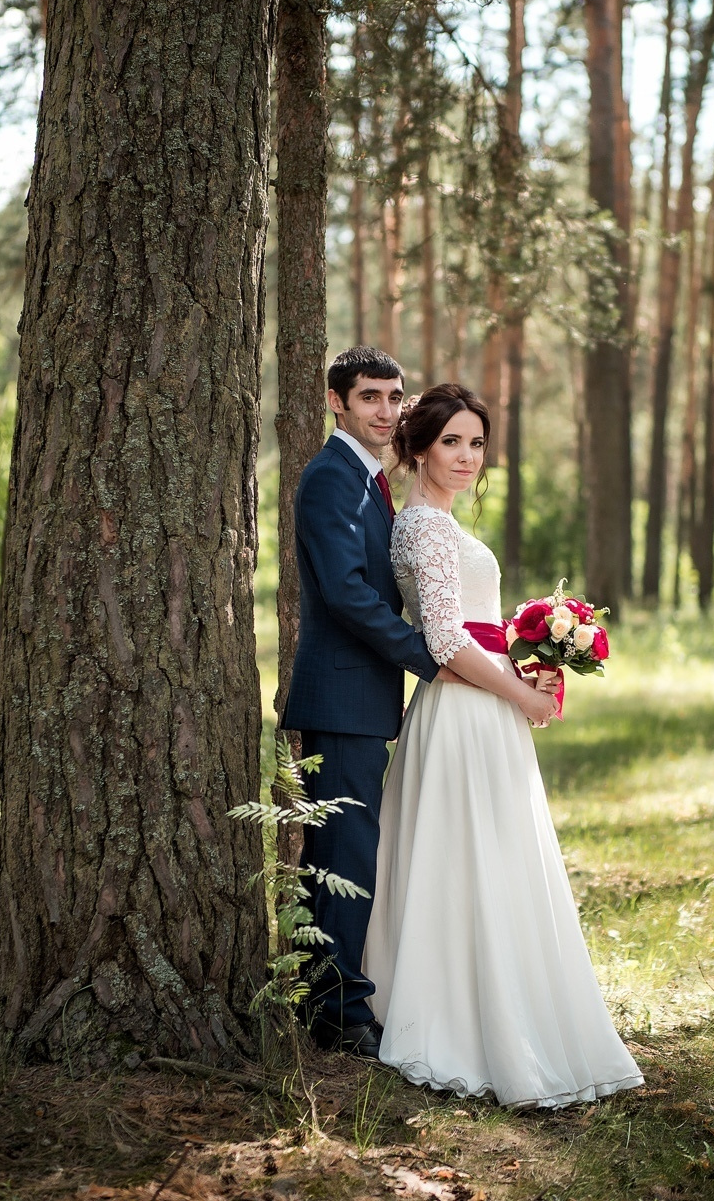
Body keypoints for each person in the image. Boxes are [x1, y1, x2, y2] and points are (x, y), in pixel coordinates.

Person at [362, 384, 644, 1107]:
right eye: (451, 441)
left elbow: (475, 627)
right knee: (468, 856)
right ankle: (460, 1017)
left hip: (482, 702)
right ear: (419, 446)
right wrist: (520, 694)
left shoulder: (440, 521)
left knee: (490, 856)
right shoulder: (423, 524)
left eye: (476, 443)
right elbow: (447, 637)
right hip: (463, 710)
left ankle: (504, 1000)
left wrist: (534, 656)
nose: (465, 456)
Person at [283, 347, 464, 1059]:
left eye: (394, 398)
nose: (386, 411)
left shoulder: (369, 479)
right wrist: (429, 656)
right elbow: (347, 593)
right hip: (340, 698)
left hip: (359, 700)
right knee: (345, 853)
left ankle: (325, 994)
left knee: (340, 851)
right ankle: (339, 1012)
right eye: (370, 399)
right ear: (337, 402)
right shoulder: (331, 477)